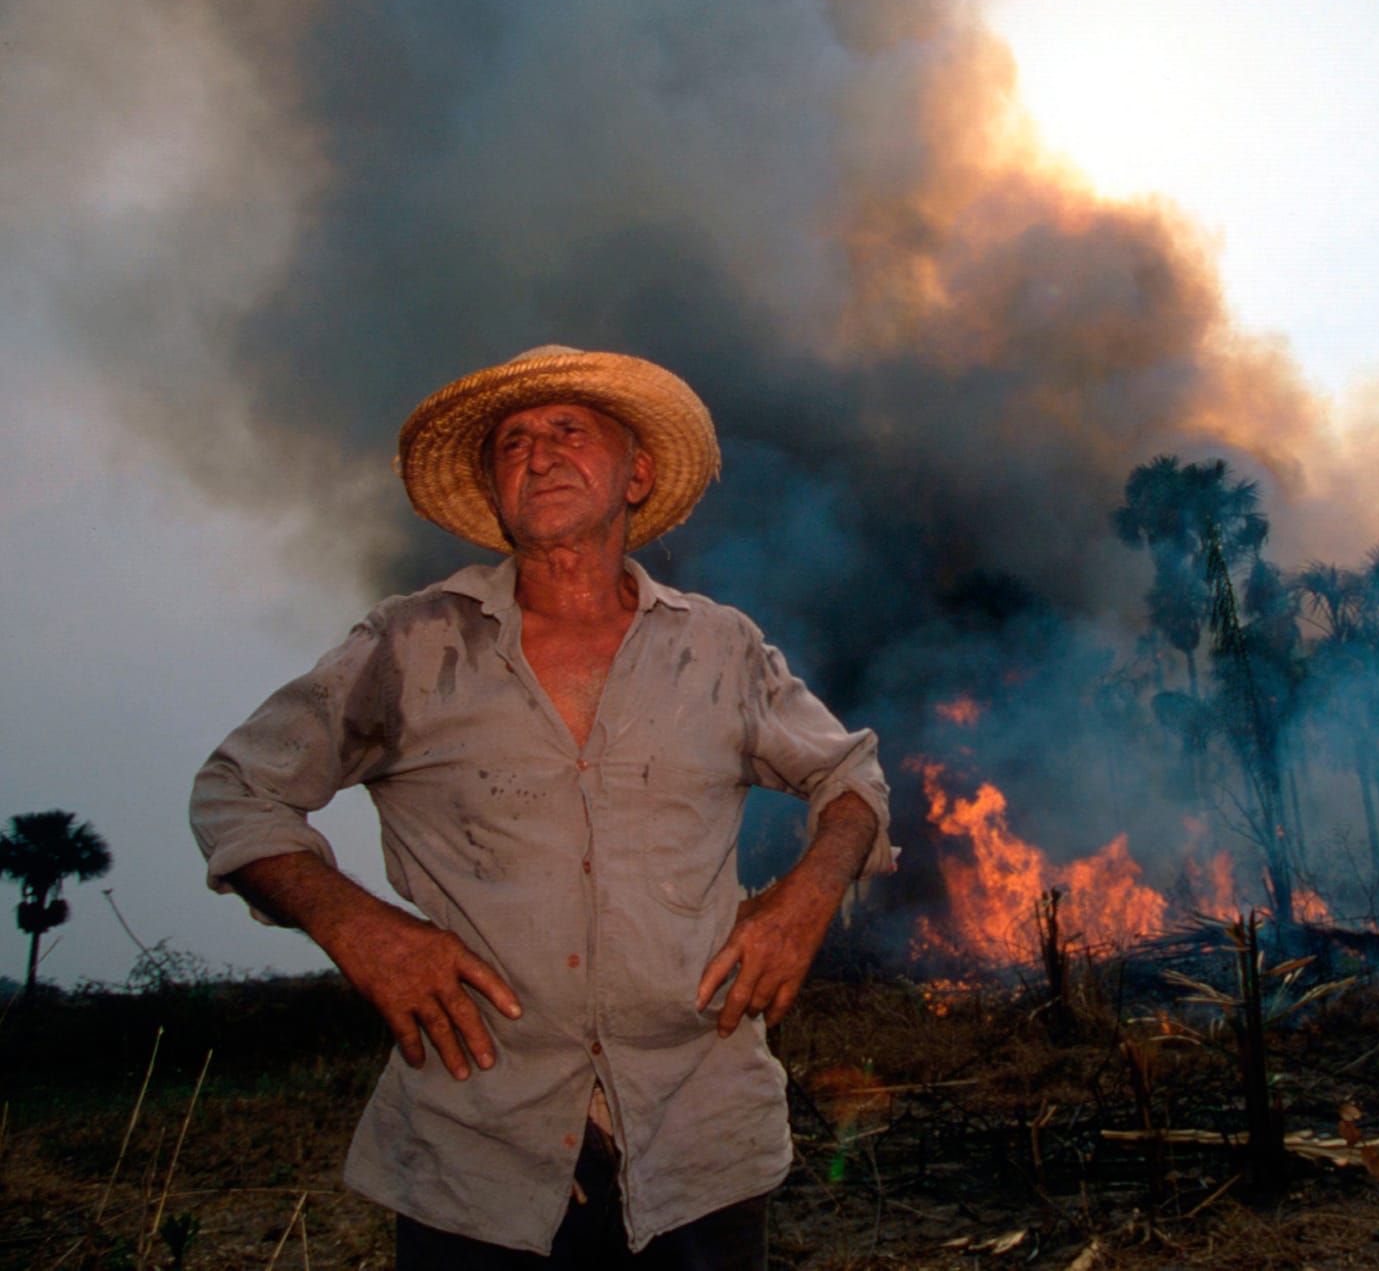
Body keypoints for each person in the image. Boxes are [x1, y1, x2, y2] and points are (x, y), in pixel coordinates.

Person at [191, 346, 893, 1267]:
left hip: (699, 1146)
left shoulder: (720, 648)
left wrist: (804, 902)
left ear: (636, 473)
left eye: (571, 431)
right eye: (514, 441)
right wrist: (361, 928)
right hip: (476, 1157)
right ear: (493, 488)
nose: (541, 453)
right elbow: (236, 788)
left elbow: (853, 780)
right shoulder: (409, 646)